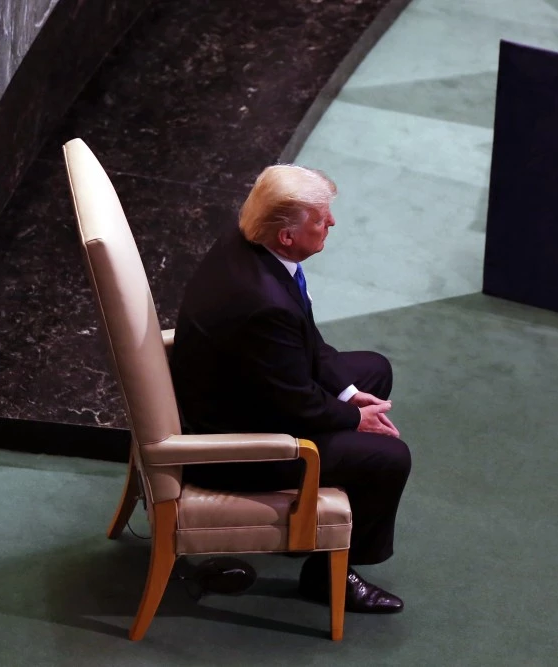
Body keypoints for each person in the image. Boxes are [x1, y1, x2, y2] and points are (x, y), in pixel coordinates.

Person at [169, 164, 411, 613]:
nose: (331, 223)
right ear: (286, 235)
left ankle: (314, 526)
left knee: (371, 372)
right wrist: (356, 419)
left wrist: (349, 396)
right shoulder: (265, 304)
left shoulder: (245, 244)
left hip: (243, 394)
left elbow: (306, 341)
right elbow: (295, 404)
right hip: (239, 450)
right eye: (321, 218)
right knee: (388, 456)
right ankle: (327, 575)